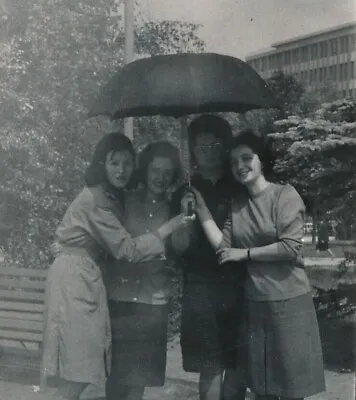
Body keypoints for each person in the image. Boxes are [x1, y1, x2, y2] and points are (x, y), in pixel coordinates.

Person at [41, 133, 188, 400]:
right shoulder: (100, 200)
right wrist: (173, 224)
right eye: (114, 163)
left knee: (82, 367)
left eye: (126, 163)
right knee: (79, 369)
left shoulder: (110, 197)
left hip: (88, 278)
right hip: (77, 283)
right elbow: (126, 249)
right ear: (102, 164)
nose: (121, 170)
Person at [189, 131, 326, 400]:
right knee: (262, 386)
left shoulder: (285, 195)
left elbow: (289, 247)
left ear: (262, 161)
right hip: (255, 305)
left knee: (290, 389)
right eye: (234, 162)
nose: (240, 166)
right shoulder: (238, 205)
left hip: (289, 303)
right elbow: (224, 247)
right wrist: (202, 210)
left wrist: (245, 254)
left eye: (247, 158)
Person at [170, 115, 247, 400]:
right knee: (211, 366)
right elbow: (177, 250)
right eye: (200, 145)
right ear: (191, 148)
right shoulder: (184, 192)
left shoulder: (240, 185)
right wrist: (183, 220)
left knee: (239, 366)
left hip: (240, 284)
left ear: (225, 145)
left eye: (215, 143)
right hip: (201, 288)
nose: (208, 150)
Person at [104, 141, 184, 400]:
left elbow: (181, 249)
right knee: (116, 380)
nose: (160, 178)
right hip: (120, 298)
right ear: (145, 170)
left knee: (138, 383)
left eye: (167, 173)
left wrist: (185, 217)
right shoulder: (124, 200)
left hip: (153, 302)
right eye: (155, 171)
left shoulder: (176, 209)